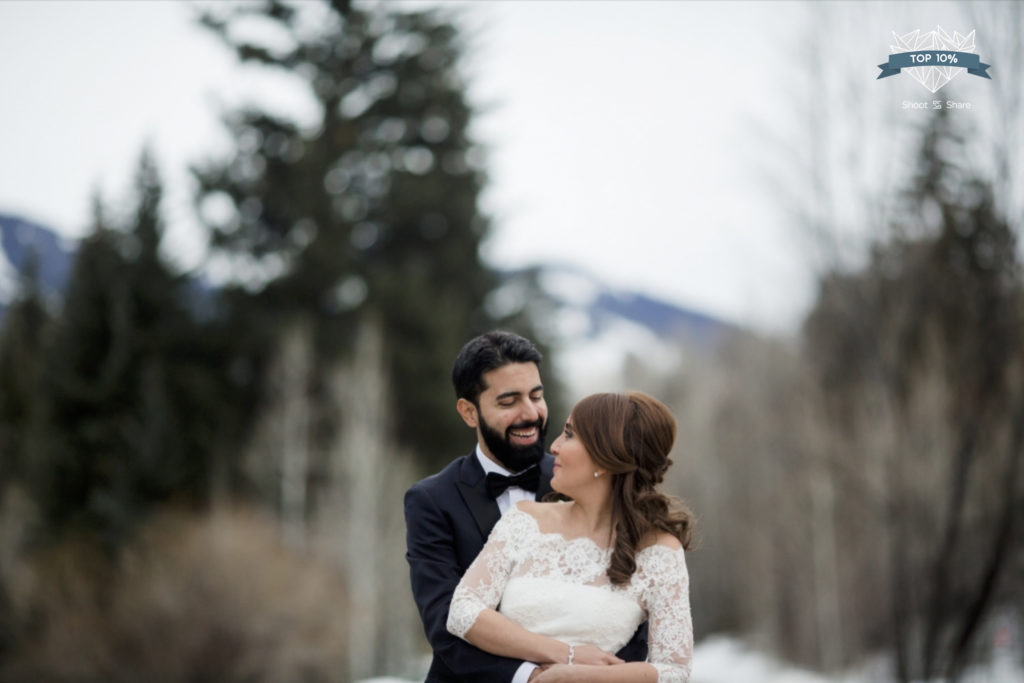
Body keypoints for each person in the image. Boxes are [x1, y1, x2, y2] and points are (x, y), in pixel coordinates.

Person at [405, 331, 648, 683]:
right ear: (469, 412)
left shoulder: (585, 481)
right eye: (509, 402)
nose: (531, 413)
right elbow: (445, 624)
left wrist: (596, 676)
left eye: (536, 395)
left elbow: (636, 606)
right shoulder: (431, 501)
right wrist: (534, 677)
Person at [445, 390, 694, 682]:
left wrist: (578, 676)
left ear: (606, 456)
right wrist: (565, 653)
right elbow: (462, 612)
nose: (553, 447)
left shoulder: (659, 550)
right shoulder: (525, 519)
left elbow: (674, 670)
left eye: (570, 435)